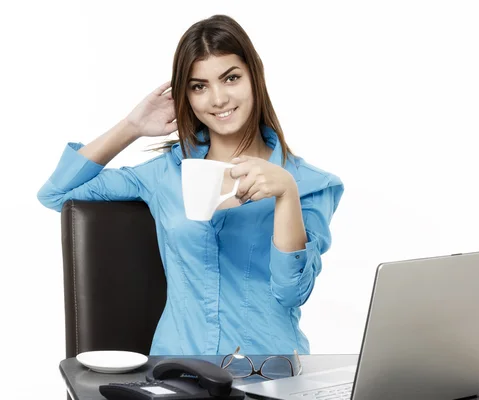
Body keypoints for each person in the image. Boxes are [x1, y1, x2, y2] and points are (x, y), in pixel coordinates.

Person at [37, 15, 344, 356]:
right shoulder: (165, 173)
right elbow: (56, 193)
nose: (218, 99)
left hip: (268, 371)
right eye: (199, 86)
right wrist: (132, 126)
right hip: (177, 371)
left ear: (255, 75)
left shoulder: (310, 184)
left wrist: (286, 194)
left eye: (231, 78)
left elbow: (292, 292)